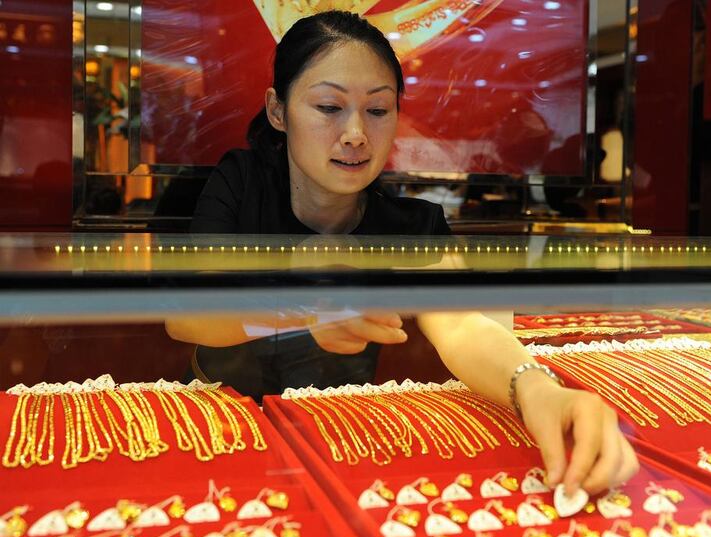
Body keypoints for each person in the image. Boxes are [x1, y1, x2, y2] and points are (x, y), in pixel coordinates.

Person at [166, 10, 638, 496]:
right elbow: (187, 316)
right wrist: (299, 303)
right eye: (329, 107)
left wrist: (536, 388)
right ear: (278, 111)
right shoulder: (241, 182)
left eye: (377, 110)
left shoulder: (412, 225)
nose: (355, 134)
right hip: (221, 427)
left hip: (340, 437)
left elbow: (460, 325)